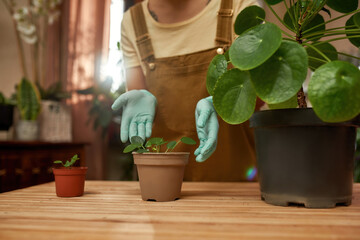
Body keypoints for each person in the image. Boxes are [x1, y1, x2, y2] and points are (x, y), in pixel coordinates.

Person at [112, 0, 259, 181]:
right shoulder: (133, 21)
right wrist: (142, 96)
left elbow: (259, 92)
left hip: (235, 183)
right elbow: (137, 91)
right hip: (163, 184)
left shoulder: (240, 7)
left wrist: (222, 102)